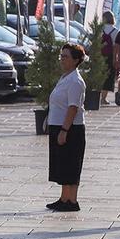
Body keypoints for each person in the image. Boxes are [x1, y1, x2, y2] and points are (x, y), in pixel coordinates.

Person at [46, 43, 87, 212]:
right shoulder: (65, 77)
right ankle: (64, 198)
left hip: (70, 128)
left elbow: (72, 107)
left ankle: (72, 201)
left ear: (76, 60)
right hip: (58, 125)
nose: (62, 60)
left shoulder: (75, 81)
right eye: (61, 56)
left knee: (71, 164)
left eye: (66, 57)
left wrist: (64, 130)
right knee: (62, 163)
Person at [100, 11, 117, 106]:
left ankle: (97, 96)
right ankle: (103, 98)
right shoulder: (115, 31)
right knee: (108, 77)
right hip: (110, 56)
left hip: (100, 56)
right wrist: (115, 58)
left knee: (99, 75)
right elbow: (115, 47)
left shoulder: (100, 29)